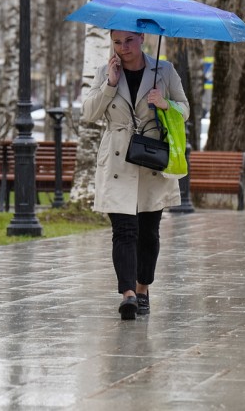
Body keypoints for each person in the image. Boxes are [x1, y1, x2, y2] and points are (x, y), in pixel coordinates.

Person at [81, 30, 189, 320]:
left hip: (151, 157)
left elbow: (186, 108)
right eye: (117, 42)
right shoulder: (105, 72)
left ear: (141, 39)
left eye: (129, 41)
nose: (123, 48)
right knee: (123, 230)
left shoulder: (164, 71)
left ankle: (143, 289)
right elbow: (89, 113)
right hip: (117, 160)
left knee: (148, 232)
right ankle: (127, 294)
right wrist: (109, 85)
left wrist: (166, 104)